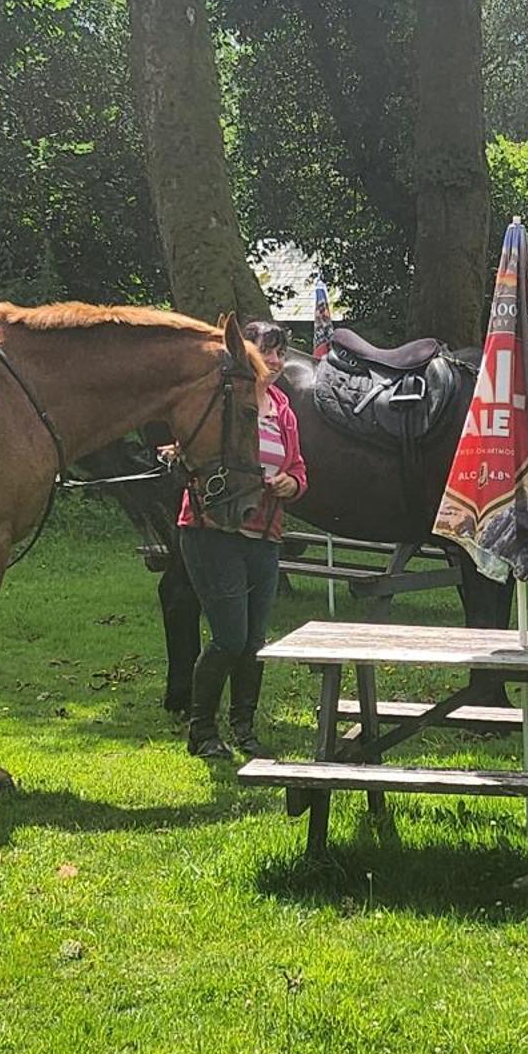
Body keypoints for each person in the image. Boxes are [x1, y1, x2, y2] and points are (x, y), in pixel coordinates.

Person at [175, 320, 307, 761]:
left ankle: (244, 728)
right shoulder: (221, 398)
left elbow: (299, 468)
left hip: (265, 534)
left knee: (254, 641)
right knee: (230, 638)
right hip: (213, 531)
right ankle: (202, 730)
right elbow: (192, 447)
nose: (273, 361)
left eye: (280, 353)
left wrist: (293, 483)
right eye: (265, 351)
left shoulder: (285, 411)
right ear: (242, 352)